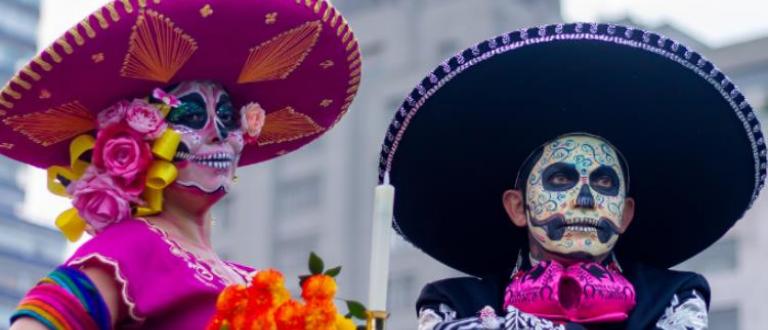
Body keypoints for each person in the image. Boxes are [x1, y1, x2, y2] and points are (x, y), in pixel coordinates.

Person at [376, 23, 766, 329]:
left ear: (626, 214)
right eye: (561, 180)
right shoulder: (452, 303)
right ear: (517, 206)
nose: (584, 199)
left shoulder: (674, 297)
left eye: (603, 183)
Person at [1, 0, 361, 328]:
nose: (217, 133)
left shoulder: (254, 281)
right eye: (190, 114)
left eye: (226, 115)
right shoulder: (133, 246)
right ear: (134, 139)